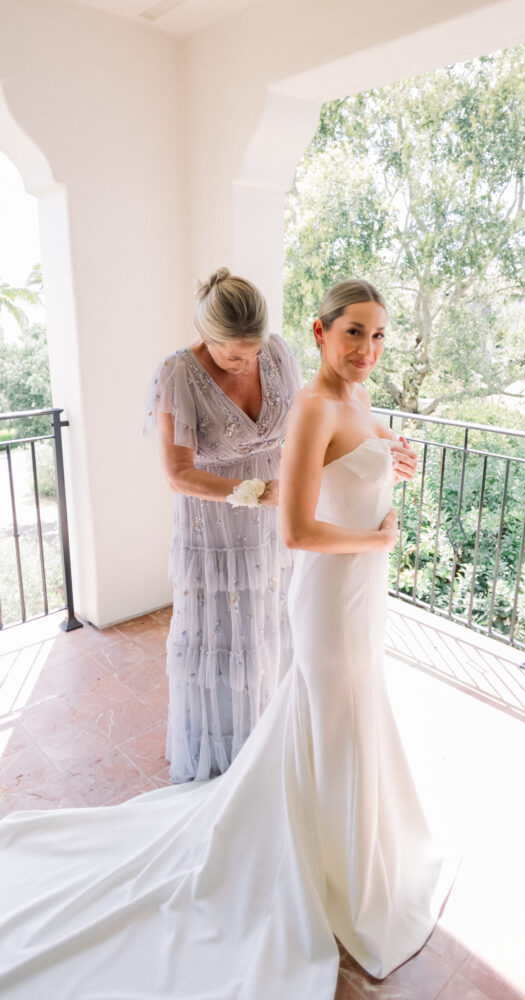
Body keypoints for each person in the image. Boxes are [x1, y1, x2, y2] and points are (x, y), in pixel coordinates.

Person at [0, 278, 453, 1000]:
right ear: (319, 332)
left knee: (337, 710)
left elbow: (346, 457)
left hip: (356, 590)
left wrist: (387, 455)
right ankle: (321, 865)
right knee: (320, 704)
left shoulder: (353, 396)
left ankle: (347, 849)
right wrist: (373, 537)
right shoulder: (294, 400)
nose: (367, 348)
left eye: (378, 335)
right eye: (354, 333)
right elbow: (292, 522)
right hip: (325, 578)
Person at [144, 267, 301, 782]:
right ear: (205, 335)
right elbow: (178, 473)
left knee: (271, 622)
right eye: (234, 353)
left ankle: (268, 738)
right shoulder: (177, 374)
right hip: (212, 524)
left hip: (273, 517)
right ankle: (222, 759)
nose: (247, 360)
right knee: (221, 638)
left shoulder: (277, 353)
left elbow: (300, 428)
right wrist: (255, 493)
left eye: (253, 350)